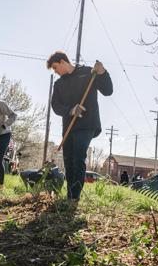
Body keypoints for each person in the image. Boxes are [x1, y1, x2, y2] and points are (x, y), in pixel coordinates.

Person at [48, 51, 113, 202]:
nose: (56, 72)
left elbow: (108, 91)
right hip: (69, 126)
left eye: (56, 67)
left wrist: (102, 72)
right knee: (68, 159)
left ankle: (75, 197)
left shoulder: (88, 73)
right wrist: (70, 110)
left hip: (87, 124)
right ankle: (70, 194)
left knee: (78, 156)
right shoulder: (59, 84)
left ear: (63, 62)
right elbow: (56, 106)